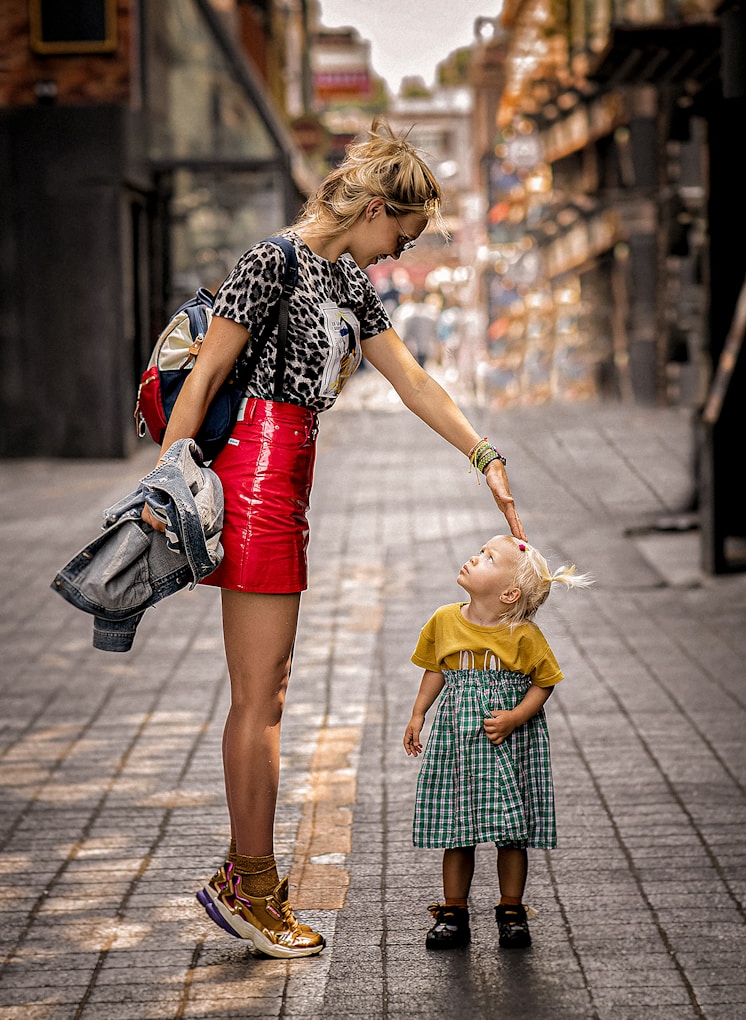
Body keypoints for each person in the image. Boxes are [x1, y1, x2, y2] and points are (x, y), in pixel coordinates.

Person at [141, 119, 526, 959]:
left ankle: (247, 877)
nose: (397, 253)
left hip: (288, 480)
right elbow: (206, 375)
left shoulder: (345, 281)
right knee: (261, 698)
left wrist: (484, 456)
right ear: (376, 207)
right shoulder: (271, 260)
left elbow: (412, 379)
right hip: (253, 478)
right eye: (402, 235)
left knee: (267, 693)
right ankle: (250, 887)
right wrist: (163, 480)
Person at [403, 534, 592, 951]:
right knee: (457, 828)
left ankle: (511, 910)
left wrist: (515, 717)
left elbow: (545, 681)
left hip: (508, 743)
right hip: (458, 744)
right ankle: (454, 911)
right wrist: (418, 714)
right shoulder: (444, 620)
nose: (474, 558)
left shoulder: (523, 635)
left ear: (509, 594)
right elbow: (435, 669)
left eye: (488, 558)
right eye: (480, 551)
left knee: (512, 831)